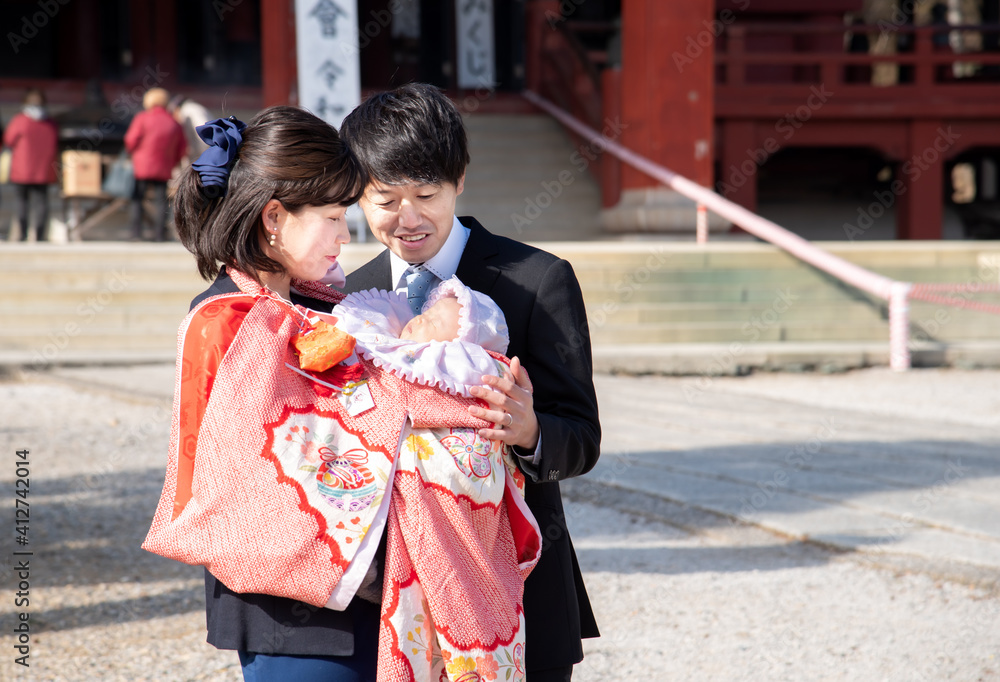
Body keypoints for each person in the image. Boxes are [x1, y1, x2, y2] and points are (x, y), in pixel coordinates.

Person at [142, 106, 540, 682]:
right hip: (289, 605)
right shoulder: (226, 320)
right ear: (274, 218)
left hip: (374, 594)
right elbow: (251, 469)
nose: (345, 234)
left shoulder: (329, 306)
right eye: (331, 216)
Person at [341, 83, 601, 681]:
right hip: (395, 603)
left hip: (519, 590)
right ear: (357, 197)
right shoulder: (350, 300)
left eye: (426, 194)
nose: (407, 218)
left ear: (460, 179)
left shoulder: (537, 280)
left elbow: (582, 436)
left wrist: (531, 430)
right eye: (384, 200)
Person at [124, 87, 186, 241]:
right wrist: (174, 162)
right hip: (164, 167)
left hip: (142, 167)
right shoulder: (173, 122)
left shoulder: (142, 118)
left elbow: (131, 140)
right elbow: (182, 147)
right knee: (161, 201)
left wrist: (131, 153)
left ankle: (136, 233)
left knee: (138, 199)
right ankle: (159, 234)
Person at [3, 89, 59, 242]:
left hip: (22, 169)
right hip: (44, 170)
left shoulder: (20, 120)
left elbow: (8, 139)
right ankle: (40, 236)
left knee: (22, 202)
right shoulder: (50, 123)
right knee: (41, 202)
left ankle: (22, 235)